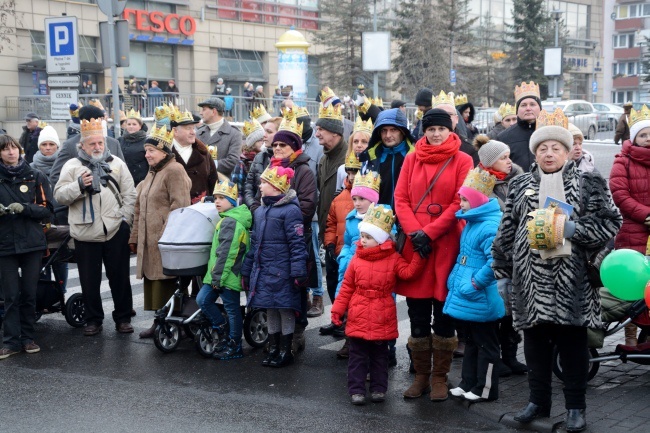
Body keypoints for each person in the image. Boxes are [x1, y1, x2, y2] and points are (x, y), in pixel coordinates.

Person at [491, 108, 622, 432]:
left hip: (573, 281)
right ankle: (538, 402)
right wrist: (503, 273)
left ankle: (576, 408)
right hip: (530, 282)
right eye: (543, 148)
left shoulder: (590, 183)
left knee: (573, 346)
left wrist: (573, 230)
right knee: (534, 345)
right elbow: (506, 232)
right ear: (535, 152)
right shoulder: (521, 184)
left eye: (556, 148)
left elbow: (610, 223)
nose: (549, 154)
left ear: (567, 151)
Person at [394, 108, 473, 401]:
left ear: (450, 129)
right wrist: (416, 233)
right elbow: (400, 198)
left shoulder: (463, 159)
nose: (436, 134)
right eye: (430, 129)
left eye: (440, 128)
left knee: (443, 316)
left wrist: (429, 233)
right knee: (416, 315)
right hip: (416, 245)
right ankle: (422, 376)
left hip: (445, 243)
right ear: (423, 131)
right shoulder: (411, 158)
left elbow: (459, 201)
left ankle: (440, 377)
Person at [331, 204, 424, 405]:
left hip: (382, 314)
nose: (362, 240)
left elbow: (408, 273)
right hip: (359, 313)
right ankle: (356, 389)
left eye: (368, 237)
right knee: (357, 357)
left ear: (381, 239)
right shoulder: (357, 259)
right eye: (362, 236)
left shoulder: (393, 259)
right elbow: (347, 286)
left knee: (380, 357)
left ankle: (378, 388)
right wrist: (338, 309)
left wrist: (418, 255)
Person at [54, 118, 137, 337]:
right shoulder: (71, 166)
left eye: (100, 143)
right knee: (89, 281)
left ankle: (123, 318)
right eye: (92, 144)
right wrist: (78, 185)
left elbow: (130, 194)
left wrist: (124, 220)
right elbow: (59, 196)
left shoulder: (116, 163)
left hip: (115, 229)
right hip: (85, 232)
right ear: (82, 146)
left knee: (120, 278)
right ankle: (93, 320)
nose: (97, 147)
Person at [444, 167, 504, 402]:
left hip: (481, 295)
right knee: (470, 341)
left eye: (465, 199)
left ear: (478, 201)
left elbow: (494, 261)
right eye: (461, 198)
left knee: (486, 344)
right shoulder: (472, 222)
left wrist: (476, 283)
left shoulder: (488, 225)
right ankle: (468, 382)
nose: (461, 203)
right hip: (469, 294)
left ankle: (486, 389)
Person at [241, 166, 308, 368]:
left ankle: (286, 350)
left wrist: (298, 271)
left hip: (283, 271)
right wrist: (247, 269)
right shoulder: (260, 211)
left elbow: (297, 244)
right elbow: (255, 244)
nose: (259, 186)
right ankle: (274, 347)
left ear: (276, 187)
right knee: (270, 308)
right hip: (265, 270)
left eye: (263, 183)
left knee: (284, 309)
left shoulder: (291, 211)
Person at [128, 125, 191, 339]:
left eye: (151, 151)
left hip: (165, 240)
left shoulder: (174, 170)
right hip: (150, 240)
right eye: (146, 151)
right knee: (154, 281)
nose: (146, 155)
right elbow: (139, 207)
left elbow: (180, 207)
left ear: (164, 152)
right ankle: (160, 321)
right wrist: (135, 237)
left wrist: (167, 236)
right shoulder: (152, 172)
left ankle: (175, 322)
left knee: (168, 281)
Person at [472, 134, 527, 377]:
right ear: (489, 162)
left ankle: (511, 356)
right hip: (492, 254)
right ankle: (495, 361)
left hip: (518, 253)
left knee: (513, 309)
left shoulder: (520, 179)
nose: (508, 161)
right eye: (502, 158)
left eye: (508, 156)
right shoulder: (479, 184)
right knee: (497, 308)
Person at [0, 135, 53, 359]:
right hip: (4, 244)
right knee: (10, 295)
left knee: (29, 294)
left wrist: (25, 208)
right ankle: (10, 342)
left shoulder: (35, 175)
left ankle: (28, 338)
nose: (11, 152)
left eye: (14, 148)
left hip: (31, 244)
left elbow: (47, 209)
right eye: (5, 149)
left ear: (20, 150)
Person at [609, 104, 650, 347]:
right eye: (643, 135)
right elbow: (620, 194)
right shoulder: (622, 161)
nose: (648, 139)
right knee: (633, 284)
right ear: (633, 137)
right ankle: (630, 336)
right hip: (633, 230)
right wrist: (646, 215)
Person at [196, 181, 252, 359]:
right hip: (219, 275)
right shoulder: (226, 219)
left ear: (233, 201)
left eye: (222, 198)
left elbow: (227, 253)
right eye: (216, 198)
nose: (217, 202)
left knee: (232, 309)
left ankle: (235, 344)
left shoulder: (230, 222)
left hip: (228, 276)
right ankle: (224, 330)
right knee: (203, 300)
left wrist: (217, 278)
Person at [50, 104, 125, 186]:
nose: (104, 122)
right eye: (101, 119)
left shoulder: (114, 143)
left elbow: (124, 173)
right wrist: (77, 188)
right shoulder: (70, 145)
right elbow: (56, 175)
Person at [359, 108, 415, 208]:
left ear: (402, 132)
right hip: (376, 219)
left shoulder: (415, 157)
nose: (388, 135)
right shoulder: (371, 157)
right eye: (384, 131)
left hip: (407, 218)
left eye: (393, 130)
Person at [323, 152, 358, 304]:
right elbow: (331, 224)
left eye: (355, 172)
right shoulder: (339, 198)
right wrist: (330, 245)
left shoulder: (372, 197)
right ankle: (338, 319)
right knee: (336, 286)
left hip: (357, 254)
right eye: (349, 172)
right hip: (340, 252)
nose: (351, 177)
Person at [172, 107, 218, 204]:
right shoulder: (165, 155)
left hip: (201, 210)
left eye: (193, 128)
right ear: (175, 131)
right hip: (174, 212)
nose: (193, 132)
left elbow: (214, 184)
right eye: (188, 128)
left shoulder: (204, 153)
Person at [316, 103, 348, 239]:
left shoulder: (349, 158)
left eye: (321, 129)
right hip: (326, 231)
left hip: (343, 233)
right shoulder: (323, 160)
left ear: (335, 132)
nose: (317, 134)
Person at [497, 81, 542, 172]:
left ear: (540, 108)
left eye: (532, 104)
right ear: (517, 110)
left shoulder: (549, 132)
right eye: (523, 105)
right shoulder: (503, 137)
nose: (528, 108)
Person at [196, 97, 243, 180]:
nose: (200, 113)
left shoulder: (234, 133)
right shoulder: (199, 133)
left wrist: (209, 164)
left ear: (213, 112)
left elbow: (233, 161)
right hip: (200, 184)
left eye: (204, 109)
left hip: (222, 187)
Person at [243, 117, 282, 213]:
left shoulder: (289, 159)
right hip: (258, 213)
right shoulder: (259, 157)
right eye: (265, 131)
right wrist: (254, 207)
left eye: (269, 132)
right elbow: (249, 186)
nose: (264, 135)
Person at [432, 91, 479, 166]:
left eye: (450, 114)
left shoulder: (470, 149)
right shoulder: (421, 147)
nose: (445, 117)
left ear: (456, 119)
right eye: (440, 113)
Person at [336, 117, 372, 191]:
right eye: (355, 141)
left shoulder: (376, 169)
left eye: (364, 142)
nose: (359, 145)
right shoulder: (342, 169)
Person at [119, 109, 149, 186]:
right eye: (129, 124)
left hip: (140, 181)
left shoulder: (146, 142)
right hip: (123, 180)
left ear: (140, 126)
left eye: (134, 124)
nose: (131, 127)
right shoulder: (120, 140)